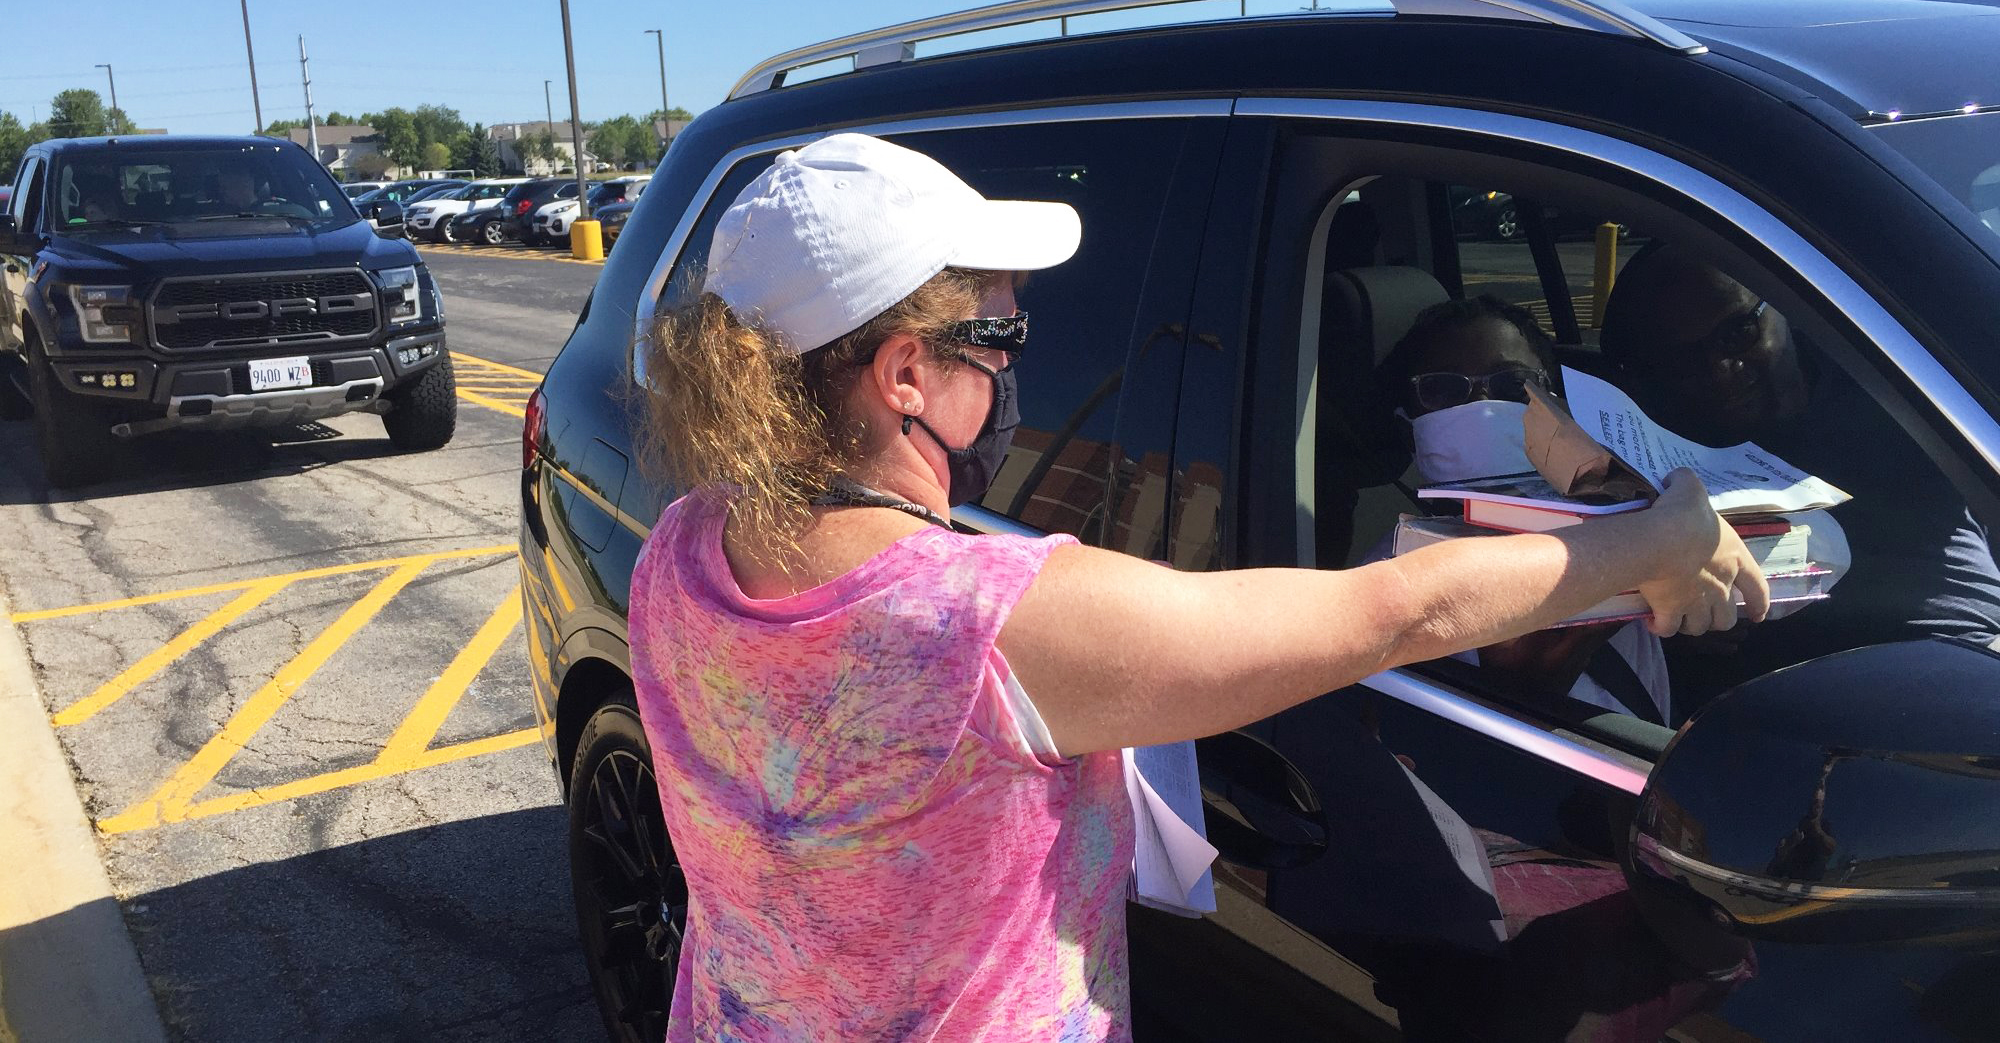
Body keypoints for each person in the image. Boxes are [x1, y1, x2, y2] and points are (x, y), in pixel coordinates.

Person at [629, 133, 1767, 1041]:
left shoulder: (678, 548)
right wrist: (1646, 541)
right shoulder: (990, 619)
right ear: (905, 373)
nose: (1019, 353)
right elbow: (1391, 611)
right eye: (1000, 325)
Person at [1602, 247, 2000, 665]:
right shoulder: (1660, 449)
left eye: (1736, 333)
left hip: (1964, 649)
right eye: (1685, 359)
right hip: (1792, 689)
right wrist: (1678, 622)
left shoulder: (1895, 386)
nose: (1720, 368)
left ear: (1782, 305)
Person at [1377, 296, 1675, 724]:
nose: (1480, 409)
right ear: (1408, 426)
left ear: (1555, 407)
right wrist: (1527, 693)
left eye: (1512, 387)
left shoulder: (1627, 526)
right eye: (1443, 390)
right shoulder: (1390, 578)